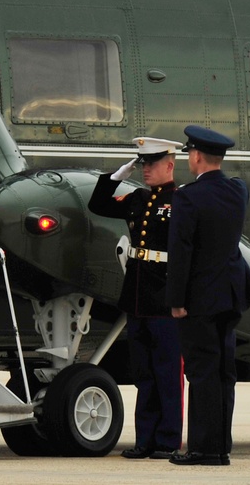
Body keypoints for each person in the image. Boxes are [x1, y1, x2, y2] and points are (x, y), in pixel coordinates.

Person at [87, 137, 183, 460]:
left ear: (169, 165)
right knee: (143, 373)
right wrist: (114, 178)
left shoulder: (181, 201)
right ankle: (145, 440)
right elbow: (97, 205)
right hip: (138, 296)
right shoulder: (138, 198)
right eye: (142, 164)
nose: (145, 170)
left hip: (164, 296)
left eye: (152, 164)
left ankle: (168, 439)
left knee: (167, 372)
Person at [166, 124, 250, 467]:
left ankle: (203, 450)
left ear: (198, 156)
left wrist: (176, 300)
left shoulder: (187, 197)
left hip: (199, 299)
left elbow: (181, 251)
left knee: (202, 373)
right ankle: (221, 447)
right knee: (223, 372)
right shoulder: (238, 191)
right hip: (230, 294)